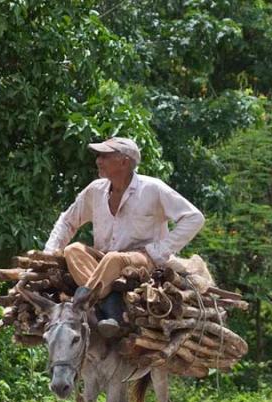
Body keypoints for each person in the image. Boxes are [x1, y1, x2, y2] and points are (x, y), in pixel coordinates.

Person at [44, 137, 205, 337]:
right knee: (73, 250)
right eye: (98, 156)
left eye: (104, 156)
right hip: (103, 262)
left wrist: (158, 250)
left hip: (142, 261)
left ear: (124, 161)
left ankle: (82, 303)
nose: (98, 161)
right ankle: (109, 303)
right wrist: (48, 254)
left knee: (114, 258)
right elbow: (67, 222)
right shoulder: (96, 190)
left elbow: (194, 218)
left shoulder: (152, 188)